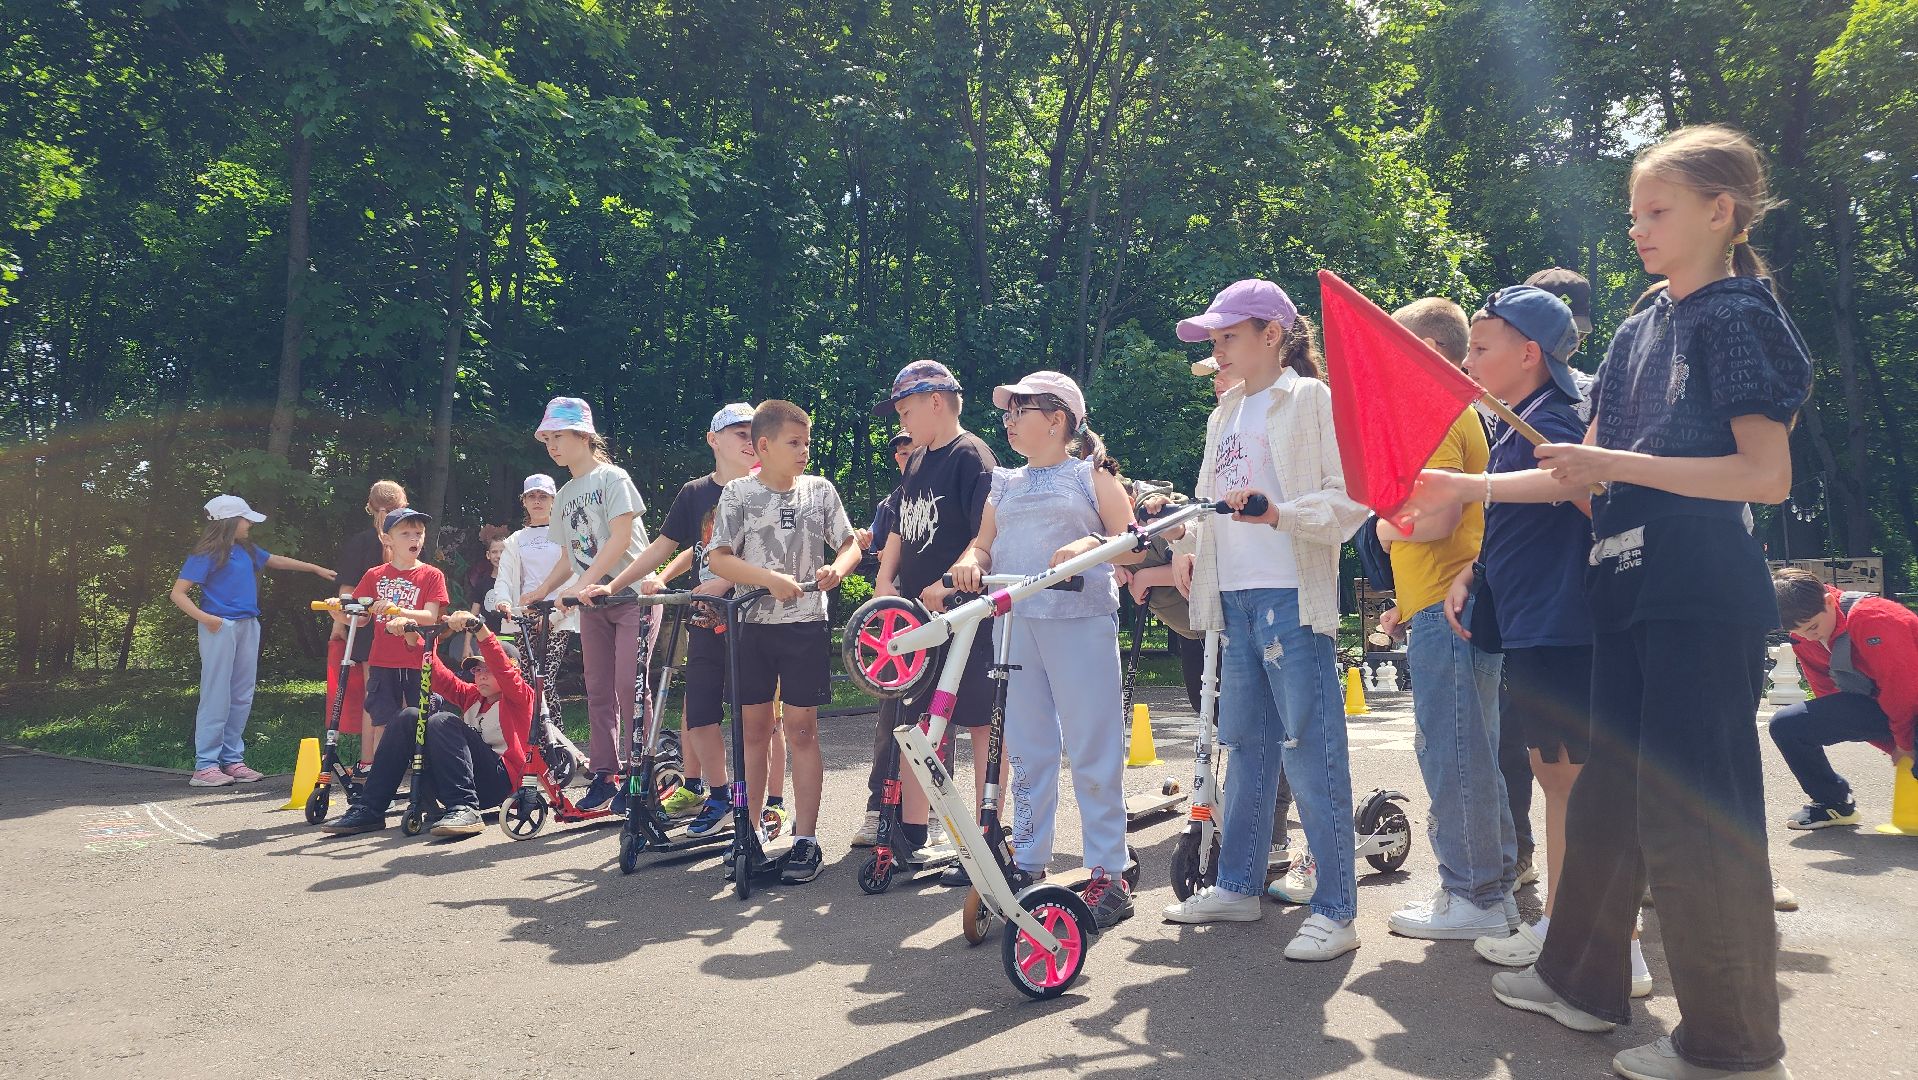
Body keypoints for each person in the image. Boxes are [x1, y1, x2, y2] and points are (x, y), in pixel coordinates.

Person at [1397, 123, 1810, 1080]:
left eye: (1658, 211)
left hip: (1700, 593)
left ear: (1724, 211)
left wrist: (1606, 466)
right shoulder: (1638, 326)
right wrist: (1470, 494)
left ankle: (1731, 1045)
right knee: (1610, 804)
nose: (1639, 229)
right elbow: (1579, 478)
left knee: (1695, 814)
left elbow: (1766, 474)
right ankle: (1580, 982)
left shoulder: (1739, 315)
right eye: (1632, 213)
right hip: (1619, 591)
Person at [1159, 278, 1370, 964]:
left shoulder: (1308, 399)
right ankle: (1238, 885)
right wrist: (1184, 548)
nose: (1216, 348)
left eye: (1227, 336)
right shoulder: (1224, 413)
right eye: (1213, 338)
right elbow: (1207, 504)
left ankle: (1337, 909)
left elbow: (1349, 502)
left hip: (1290, 597)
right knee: (1244, 745)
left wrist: (1277, 514)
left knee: (1310, 751)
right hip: (1236, 600)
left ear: (1271, 336)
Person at [1448, 287, 1650, 994]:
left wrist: (1465, 486)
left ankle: (1615, 944)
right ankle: (1566, 924)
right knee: (1556, 778)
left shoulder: (1559, 417)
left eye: (1480, 347)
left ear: (1529, 353)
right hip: (1538, 621)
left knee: (1581, 783)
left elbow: (1586, 497)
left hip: (1571, 624)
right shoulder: (1513, 422)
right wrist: (1472, 572)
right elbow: (1516, 511)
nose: (1466, 361)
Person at [948, 371, 1143, 927]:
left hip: (1079, 620)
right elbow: (983, 544)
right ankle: (1030, 864)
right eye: (1006, 412)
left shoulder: (1091, 476)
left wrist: (1090, 544)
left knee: (1091, 749)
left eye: (1019, 410)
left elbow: (1130, 543)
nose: (1007, 420)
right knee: (1029, 751)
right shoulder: (1003, 483)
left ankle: (1108, 869)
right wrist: (971, 561)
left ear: (1056, 419)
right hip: (1017, 625)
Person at [1374, 296, 1517, 941]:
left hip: (1447, 608)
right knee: (1472, 750)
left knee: (1453, 753)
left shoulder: (1437, 416)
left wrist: (1381, 527)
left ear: (1428, 352)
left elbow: (1435, 517)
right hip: (1440, 604)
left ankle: (1476, 897)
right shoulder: (1460, 414)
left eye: (1396, 348)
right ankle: (1493, 890)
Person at [706, 400, 862, 884]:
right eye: (794, 443)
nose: (804, 451)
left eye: (808, 443)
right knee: (754, 731)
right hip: (752, 625)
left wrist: (839, 567)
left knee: (801, 731)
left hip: (805, 625)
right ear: (764, 446)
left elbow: (851, 542)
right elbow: (719, 559)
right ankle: (748, 835)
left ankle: (806, 839)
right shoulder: (737, 494)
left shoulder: (820, 491)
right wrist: (768, 578)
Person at [586, 403, 760, 828]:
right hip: (704, 620)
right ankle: (717, 797)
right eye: (738, 433)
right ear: (713, 440)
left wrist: (727, 583)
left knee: (756, 723)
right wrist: (615, 584)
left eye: (753, 433)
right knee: (698, 715)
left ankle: (763, 802)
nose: (749, 441)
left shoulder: (767, 489)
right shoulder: (695, 493)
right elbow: (664, 545)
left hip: (756, 621)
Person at [868, 360, 1000, 876]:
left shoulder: (972, 457)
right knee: (917, 722)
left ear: (937, 402)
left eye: (906, 411)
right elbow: (901, 521)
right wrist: (886, 579)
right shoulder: (918, 458)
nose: (902, 424)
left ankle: (986, 831)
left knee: (979, 723)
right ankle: (912, 832)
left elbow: (985, 532)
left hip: (966, 616)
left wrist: (950, 581)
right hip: (918, 617)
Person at [520, 397, 649, 813]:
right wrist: (539, 591)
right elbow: (567, 556)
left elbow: (621, 539)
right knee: (597, 690)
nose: (552, 445)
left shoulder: (613, 478)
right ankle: (604, 775)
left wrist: (587, 582)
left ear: (584, 436)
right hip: (590, 603)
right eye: (547, 439)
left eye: (559, 436)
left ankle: (640, 771)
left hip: (631, 596)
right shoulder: (566, 494)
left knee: (629, 686)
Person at [170, 495, 336, 787]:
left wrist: (314, 568)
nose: (249, 524)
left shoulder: (246, 550)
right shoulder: (206, 553)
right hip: (219, 627)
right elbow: (178, 593)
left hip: (248, 624)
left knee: (242, 694)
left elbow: (277, 560)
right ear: (230, 522)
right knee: (216, 694)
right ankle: (205, 766)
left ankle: (232, 761)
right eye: (245, 519)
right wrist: (206, 619)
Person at [321, 611, 534, 836]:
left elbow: (503, 668)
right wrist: (413, 638)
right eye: (477, 670)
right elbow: (437, 675)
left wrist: (479, 628)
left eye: (488, 670)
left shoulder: (520, 697)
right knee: (408, 716)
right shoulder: (472, 696)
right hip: (459, 778)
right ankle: (370, 808)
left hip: (498, 784)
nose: (481, 675)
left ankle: (465, 807)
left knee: (443, 720)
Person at [1771, 568, 1918, 828]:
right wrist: (1893, 746)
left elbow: (1904, 689)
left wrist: (1906, 745)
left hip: (1911, 697)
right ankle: (1833, 804)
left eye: (1813, 626)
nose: (1810, 636)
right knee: (1787, 725)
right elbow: (1833, 699)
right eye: (1801, 632)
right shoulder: (1803, 640)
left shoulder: (1871, 617)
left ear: (1829, 601)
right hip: (1889, 707)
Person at [852, 428, 919, 847]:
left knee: (931, 721)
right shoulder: (889, 505)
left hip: (937, 615)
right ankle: (878, 808)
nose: (905, 455)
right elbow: (873, 556)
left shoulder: (949, 484)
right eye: (899, 451)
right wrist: (862, 543)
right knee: (889, 720)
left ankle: (923, 815)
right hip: (893, 625)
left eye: (911, 448)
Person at [348, 508, 451, 752]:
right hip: (383, 662)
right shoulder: (374, 575)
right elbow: (360, 618)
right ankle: (380, 777)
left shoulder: (431, 575)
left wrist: (398, 611)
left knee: (425, 720)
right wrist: (337, 610)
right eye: (405, 533)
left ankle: (426, 775)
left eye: (418, 533)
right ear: (387, 539)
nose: (414, 539)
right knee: (382, 720)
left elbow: (430, 617)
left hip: (421, 660)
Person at [330, 480, 408, 774]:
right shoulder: (408, 539)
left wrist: (341, 625)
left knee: (373, 697)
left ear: (369, 506)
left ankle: (369, 762)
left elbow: (345, 596)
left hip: (368, 627)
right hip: (401, 623)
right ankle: (389, 762)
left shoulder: (359, 542)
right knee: (399, 696)